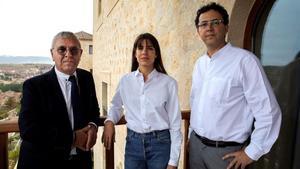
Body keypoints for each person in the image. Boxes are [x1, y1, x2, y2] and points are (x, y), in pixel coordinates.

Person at [189, 2, 282, 169]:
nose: (209, 27)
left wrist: (251, 152)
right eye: (203, 24)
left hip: (225, 154)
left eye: (215, 22)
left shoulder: (245, 62)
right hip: (196, 148)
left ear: (226, 27)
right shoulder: (199, 64)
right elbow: (196, 103)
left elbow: (268, 111)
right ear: (198, 31)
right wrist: (191, 137)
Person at [17, 31, 100, 169]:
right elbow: (28, 129)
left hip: (80, 161)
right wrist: (72, 138)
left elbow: (93, 110)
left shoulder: (86, 78)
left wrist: (93, 125)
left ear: (80, 53)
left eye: (74, 50)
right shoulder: (34, 86)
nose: (68, 54)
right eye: (62, 49)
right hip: (44, 162)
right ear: (52, 54)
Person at [102, 33, 182, 169]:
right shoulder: (125, 81)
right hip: (133, 144)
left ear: (156, 54)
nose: (144, 51)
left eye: (150, 48)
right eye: (140, 48)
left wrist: (173, 161)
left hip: (161, 145)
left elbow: (175, 123)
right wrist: (109, 121)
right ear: (135, 53)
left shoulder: (169, 83)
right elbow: (116, 106)